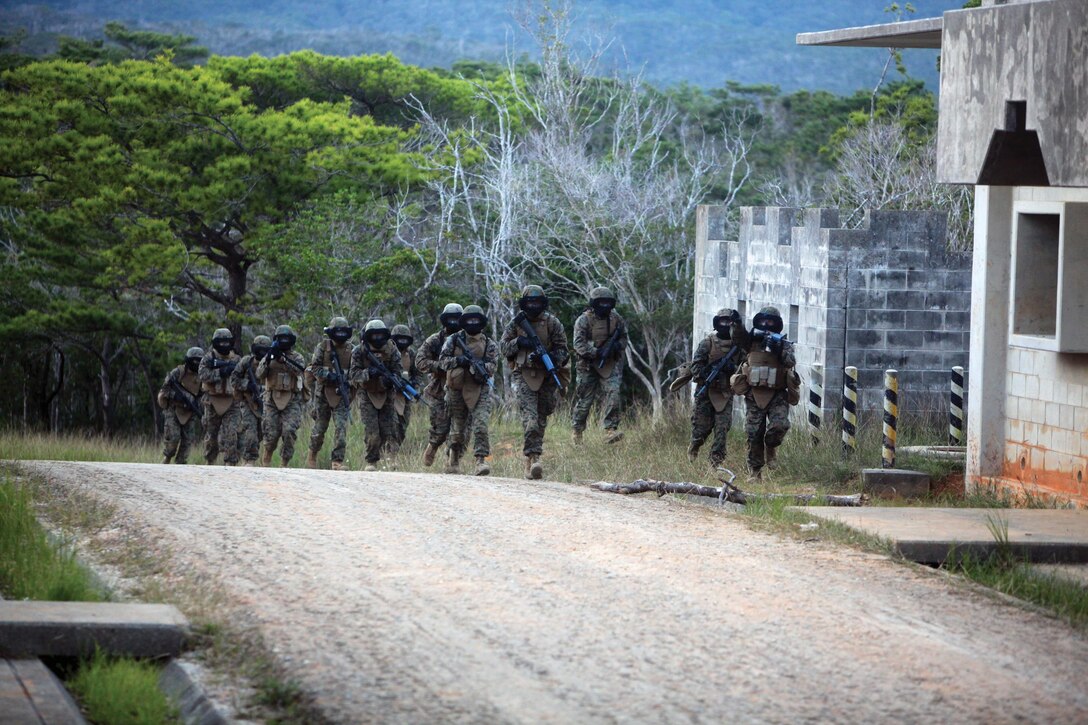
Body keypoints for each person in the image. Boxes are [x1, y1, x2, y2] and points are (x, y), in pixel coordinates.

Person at [500, 285, 569, 480]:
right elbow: (503, 348)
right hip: (524, 374)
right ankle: (533, 458)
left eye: (537, 302)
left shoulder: (553, 323)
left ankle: (533, 454)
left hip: (547, 375)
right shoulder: (516, 323)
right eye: (529, 302)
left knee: (541, 416)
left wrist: (548, 357)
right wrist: (519, 343)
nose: (533, 305)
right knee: (530, 419)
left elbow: (563, 350)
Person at [730, 306, 799, 480]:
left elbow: (790, 362)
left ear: (777, 324)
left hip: (777, 394)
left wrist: (779, 348)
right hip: (755, 394)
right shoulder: (751, 341)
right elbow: (738, 338)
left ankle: (771, 448)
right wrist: (737, 324)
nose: (766, 324)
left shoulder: (783, 342)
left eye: (770, 321)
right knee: (753, 433)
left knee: (779, 426)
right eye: (763, 321)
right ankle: (755, 472)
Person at [438, 305, 498, 475]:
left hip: (480, 389)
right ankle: (454, 457)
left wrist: (480, 366)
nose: (472, 323)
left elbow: (493, 366)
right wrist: (460, 361)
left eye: (476, 320)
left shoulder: (489, 344)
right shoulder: (453, 340)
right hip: (456, 388)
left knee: (481, 425)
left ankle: (480, 461)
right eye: (469, 320)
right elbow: (442, 362)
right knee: (458, 429)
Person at [570, 286, 627, 445]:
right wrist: (596, 352)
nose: (604, 306)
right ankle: (577, 431)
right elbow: (578, 345)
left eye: (607, 303)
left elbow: (623, 339)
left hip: (609, 364)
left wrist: (615, 347)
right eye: (601, 303)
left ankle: (610, 430)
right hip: (587, 366)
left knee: (614, 394)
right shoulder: (583, 320)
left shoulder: (616, 319)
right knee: (585, 402)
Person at [688, 308, 744, 467]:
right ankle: (694, 447)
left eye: (729, 321)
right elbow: (695, 366)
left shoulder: (737, 346)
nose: (725, 324)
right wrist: (706, 373)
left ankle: (715, 463)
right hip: (706, 392)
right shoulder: (707, 343)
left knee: (722, 431)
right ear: (717, 323)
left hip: (725, 394)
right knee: (701, 430)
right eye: (722, 321)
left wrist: (732, 369)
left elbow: (744, 366)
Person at [349, 319, 403, 472]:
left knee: (390, 429)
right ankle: (371, 461)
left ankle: (391, 459)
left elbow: (398, 372)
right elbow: (353, 375)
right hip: (367, 394)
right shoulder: (359, 351)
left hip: (387, 393)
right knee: (372, 431)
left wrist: (389, 380)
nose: (378, 338)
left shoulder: (392, 350)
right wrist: (369, 373)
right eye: (374, 335)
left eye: (381, 335)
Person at [416, 303, 462, 467]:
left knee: (460, 429)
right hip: (438, 390)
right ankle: (433, 446)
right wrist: (441, 365)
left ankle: (453, 461)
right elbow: (420, 362)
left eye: (457, 319)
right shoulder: (435, 340)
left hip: (461, 389)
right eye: (450, 319)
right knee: (441, 428)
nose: (453, 322)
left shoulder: (468, 339)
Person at [306, 317, 355, 471]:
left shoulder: (352, 350)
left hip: (341, 394)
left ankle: (337, 461)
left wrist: (350, 382)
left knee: (341, 428)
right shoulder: (322, 347)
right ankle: (312, 455)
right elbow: (314, 368)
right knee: (320, 428)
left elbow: (356, 371)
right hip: (323, 394)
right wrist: (328, 375)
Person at [256, 325, 308, 467]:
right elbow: (259, 374)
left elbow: (299, 370)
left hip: (292, 399)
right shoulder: (269, 356)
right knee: (271, 432)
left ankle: (284, 463)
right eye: (281, 339)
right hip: (271, 398)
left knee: (289, 430)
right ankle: (267, 456)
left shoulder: (297, 357)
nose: (284, 341)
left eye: (287, 338)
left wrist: (283, 360)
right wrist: (269, 359)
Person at [198, 328, 243, 466]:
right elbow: (202, 375)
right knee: (211, 435)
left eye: (226, 342)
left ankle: (230, 463)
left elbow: (242, 378)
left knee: (232, 433)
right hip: (212, 400)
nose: (224, 345)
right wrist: (221, 372)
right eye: (221, 342)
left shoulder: (236, 359)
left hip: (232, 402)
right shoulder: (208, 358)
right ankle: (210, 462)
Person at [158, 347, 204, 465]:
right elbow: (164, 390)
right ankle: (167, 459)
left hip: (190, 412)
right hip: (174, 409)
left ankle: (180, 465)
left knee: (187, 441)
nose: (196, 364)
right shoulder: (178, 373)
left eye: (199, 361)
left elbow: (203, 394)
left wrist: (196, 403)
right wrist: (176, 396)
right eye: (194, 361)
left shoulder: (202, 376)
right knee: (173, 437)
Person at [230, 334, 270, 467]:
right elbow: (234, 379)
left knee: (262, 434)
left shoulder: (271, 362)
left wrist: (262, 388)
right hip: (248, 402)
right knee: (250, 432)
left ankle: (259, 458)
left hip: (267, 402)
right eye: (260, 349)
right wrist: (247, 385)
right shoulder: (246, 362)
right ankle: (249, 460)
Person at [391, 324, 421, 447]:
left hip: (406, 394)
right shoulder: (387, 352)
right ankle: (390, 454)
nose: (402, 342)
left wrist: (414, 384)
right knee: (392, 424)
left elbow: (418, 373)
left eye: (405, 339)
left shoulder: (411, 353)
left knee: (403, 426)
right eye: (399, 339)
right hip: (390, 394)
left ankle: (395, 449)